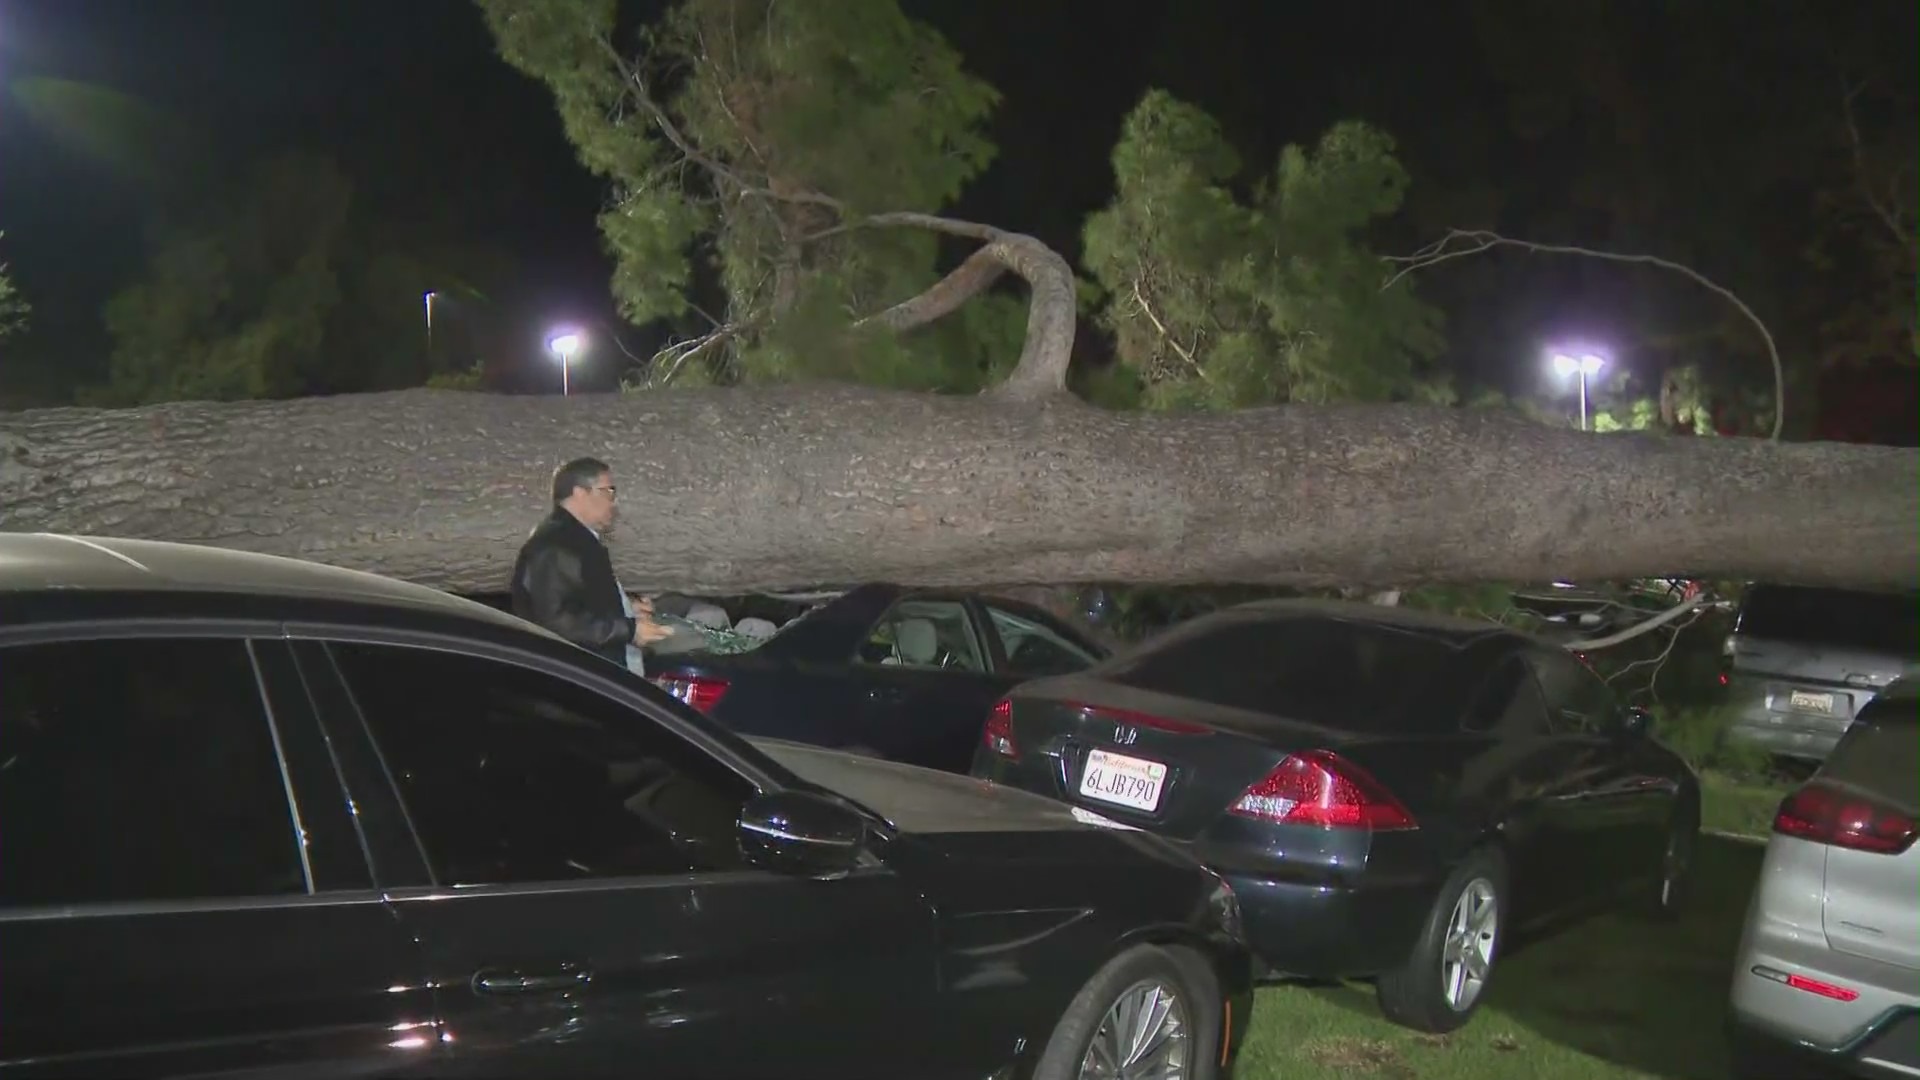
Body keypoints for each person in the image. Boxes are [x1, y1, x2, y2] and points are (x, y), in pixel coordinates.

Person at [511, 456, 672, 673]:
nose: (613, 503)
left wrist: (624, 606)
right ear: (580, 493)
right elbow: (553, 622)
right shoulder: (556, 545)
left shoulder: (575, 538)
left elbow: (578, 600)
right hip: (576, 677)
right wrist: (629, 630)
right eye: (608, 491)